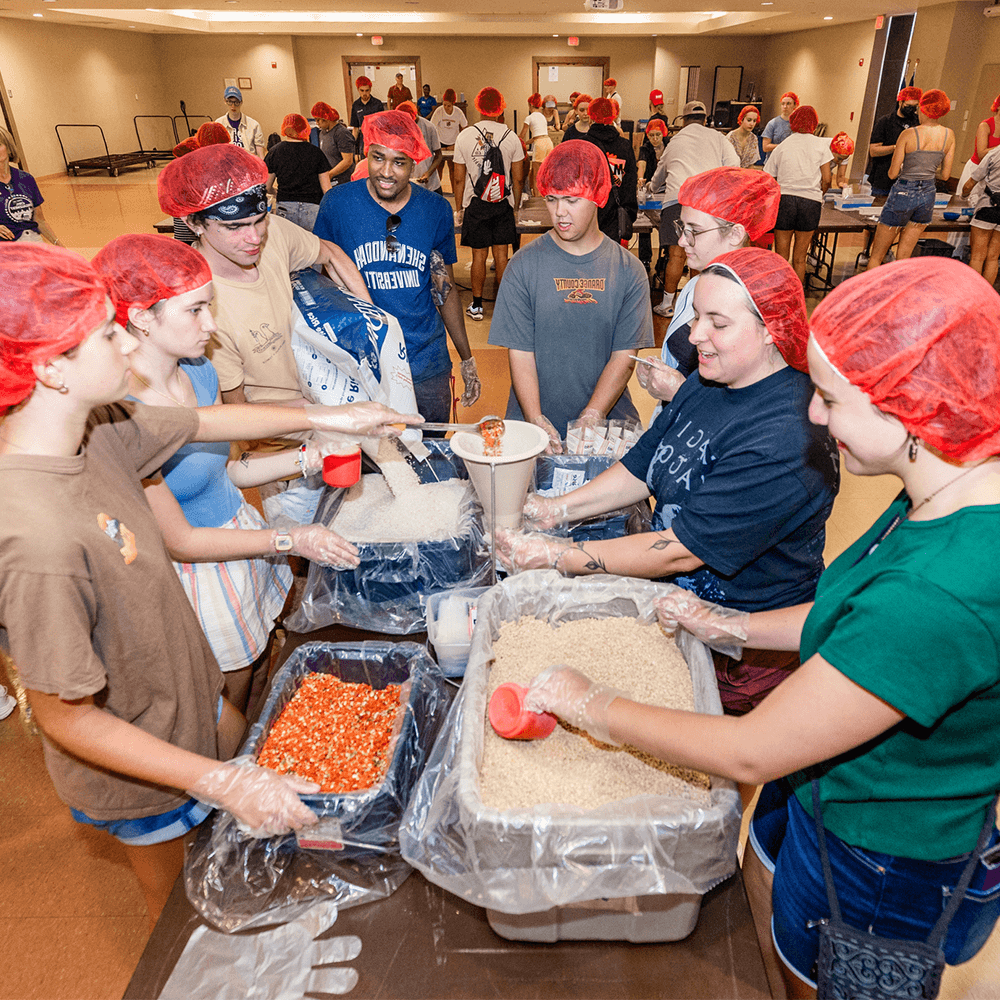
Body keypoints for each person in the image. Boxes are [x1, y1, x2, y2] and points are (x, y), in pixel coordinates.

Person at [524, 256, 1000, 1000]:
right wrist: (733, 621)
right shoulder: (934, 496)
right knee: (769, 926)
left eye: (832, 400)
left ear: (906, 410)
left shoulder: (943, 587)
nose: (813, 414)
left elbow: (750, 750)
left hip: (878, 857)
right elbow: (848, 613)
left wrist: (591, 703)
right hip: (817, 794)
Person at [0, 244, 419, 926]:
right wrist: (220, 781)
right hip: (138, 769)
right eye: (106, 333)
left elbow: (202, 423)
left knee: (243, 824)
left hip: (192, 700)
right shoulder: (35, 535)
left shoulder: (95, 429)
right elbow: (64, 713)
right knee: (183, 912)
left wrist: (329, 418)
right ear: (49, 369)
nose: (125, 343)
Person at [499, 247, 839, 719]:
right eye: (697, 315)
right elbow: (643, 466)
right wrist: (557, 510)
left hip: (745, 647)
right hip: (676, 608)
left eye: (717, 323)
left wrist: (560, 556)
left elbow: (682, 549)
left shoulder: (786, 436)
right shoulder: (707, 381)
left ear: (770, 330)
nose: (695, 334)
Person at [93, 234, 358, 714]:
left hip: (240, 540)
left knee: (262, 670)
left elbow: (225, 473)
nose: (211, 326)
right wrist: (289, 540)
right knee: (227, 699)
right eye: (194, 311)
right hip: (194, 573)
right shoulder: (121, 417)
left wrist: (308, 459)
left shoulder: (198, 372)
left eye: (209, 306)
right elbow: (182, 541)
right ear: (140, 318)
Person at [157, 144, 370, 522]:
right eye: (234, 227)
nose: (254, 237)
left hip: (330, 408)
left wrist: (375, 325)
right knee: (307, 547)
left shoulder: (272, 236)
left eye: (259, 219)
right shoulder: (200, 308)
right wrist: (322, 413)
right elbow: (236, 415)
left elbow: (332, 255)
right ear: (194, 223)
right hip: (279, 453)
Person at [314, 110, 481, 424]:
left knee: (431, 447)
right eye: (378, 158)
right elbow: (320, 283)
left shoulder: (435, 209)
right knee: (373, 457)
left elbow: (442, 288)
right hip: (361, 361)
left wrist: (467, 358)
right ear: (367, 154)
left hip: (425, 362)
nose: (386, 172)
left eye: (399, 162)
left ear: (415, 163)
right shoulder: (338, 205)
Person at [487, 141, 653, 451]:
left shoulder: (628, 270)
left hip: (608, 424)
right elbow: (521, 353)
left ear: (598, 196)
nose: (560, 212)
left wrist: (592, 416)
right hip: (531, 421)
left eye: (573, 200)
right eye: (552, 199)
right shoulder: (523, 266)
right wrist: (536, 418)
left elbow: (624, 357)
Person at [638, 167, 781, 405]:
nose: (682, 240)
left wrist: (680, 393)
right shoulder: (696, 286)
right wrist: (663, 374)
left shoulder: (757, 306)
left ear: (735, 234)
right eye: (683, 228)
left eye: (695, 231)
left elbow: (754, 408)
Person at [649, 100, 740, 317]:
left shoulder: (676, 141)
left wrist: (652, 187)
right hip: (707, 203)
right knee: (700, 255)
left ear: (684, 120)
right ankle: (696, 304)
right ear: (705, 119)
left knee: (676, 256)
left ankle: (668, 305)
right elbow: (734, 165)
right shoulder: (718, 137)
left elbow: (659, 176)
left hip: (676, 201)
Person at [452, 86, 525, 322]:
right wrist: (515, 207)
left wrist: (459, 208)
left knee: (478, 257)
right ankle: (503, 305)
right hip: (502, 203)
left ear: (477, 106)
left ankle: (476, 305)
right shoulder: (511, 136)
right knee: (502, 256)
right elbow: (519, 177)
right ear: (501, 107)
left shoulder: (464, 136)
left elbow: (458, 178)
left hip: (476, 204)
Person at [866, 89, 954, 270]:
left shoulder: (908, 134)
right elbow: (945, 176)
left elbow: (892, 173)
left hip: (904, 190)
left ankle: (871, 296)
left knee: (877, 255)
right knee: (904, 257)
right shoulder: (949, 135)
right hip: (928, 194)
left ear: (922, 108)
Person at [764, 105, 834, 286]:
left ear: (792, 123)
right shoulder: (821, 145)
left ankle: (778, 293)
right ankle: (797, 296)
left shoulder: (781, 147)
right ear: (814, 123)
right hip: (810, 203)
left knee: (781, 256)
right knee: (800, 258)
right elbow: (827, 179)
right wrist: (819, 194)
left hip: (785, 201)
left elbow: (769, 178)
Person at [563, 97, 638, 245]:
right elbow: (630, 183)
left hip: (587, 213)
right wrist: (628, 213)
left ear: (591, 116)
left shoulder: (583, 145)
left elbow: (574, 183)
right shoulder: (624, 146)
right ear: (613, 116)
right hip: (615, 216)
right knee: (612, 261)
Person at [264, 113, 331, 232]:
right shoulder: (316, 152)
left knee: (290, 247)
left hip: (285, 205)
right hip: (312, 206)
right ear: (305, 129)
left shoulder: (274, 152)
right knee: (314, 245)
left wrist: (276, 192)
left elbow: (267, 186)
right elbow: (327, 189)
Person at [0, 126, 61, 246]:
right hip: (6, 248)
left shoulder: (26, 179)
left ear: (9, 148)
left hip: (33, 242)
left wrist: (60, 247)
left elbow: (39, 221)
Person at [866, 86, 922, 200]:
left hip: (908, 179)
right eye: (908, 106)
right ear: (901, 102)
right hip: (883, 177)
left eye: (914, 107)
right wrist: (897, 147)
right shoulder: (885, 122)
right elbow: (873, 151)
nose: (911, 110)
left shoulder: (918, 123)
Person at [963, 143, 1000, 287]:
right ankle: (987, 298)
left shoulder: (995, 153)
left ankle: (974, 296)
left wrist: (963, 196)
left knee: (978, 256)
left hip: (988, 207)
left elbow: (970, 183)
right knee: (993, 257)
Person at [396, 100, 444, 193]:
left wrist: (428, 173)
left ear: (414, 116)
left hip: (430, 183)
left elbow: (438, 155)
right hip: (408, 183)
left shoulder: (429, 127)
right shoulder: (399, 129)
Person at [430, 88, 467, 191]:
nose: (446, 107)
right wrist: (435, 145)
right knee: (439, 168)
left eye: (449, 106)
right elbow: (432, 128)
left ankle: (455, 192)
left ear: (453, 104)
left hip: (453, 144)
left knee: (452, 169)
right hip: (440, 143)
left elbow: (465, 128)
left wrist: (458, 144)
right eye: (444, 105)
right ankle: (437, 192)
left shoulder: (458, 112)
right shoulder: (439, 111)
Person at [310, 102, 355, 187]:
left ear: (326, 118)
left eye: (318, 119)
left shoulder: (341, 133)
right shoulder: (322, 133)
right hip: (331, 179)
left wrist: (329, 175)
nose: (316, 123)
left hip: (344, 180)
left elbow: (347, 161)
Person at [215, 86, 264, 158]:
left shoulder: (254, 125)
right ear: (225, 101)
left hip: (249, 164)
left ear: (241, 102)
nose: (233, 106)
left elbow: (260, 155)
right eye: (230, 102)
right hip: (227, 165)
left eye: (236, 102)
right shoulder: (218, 124)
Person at [520, 93, 552, 197]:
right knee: (545, 173)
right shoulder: (542, 117)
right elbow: (536, 136)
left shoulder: (529, 117)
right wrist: (526, 143)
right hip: (548, 142)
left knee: (536, 174)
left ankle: (537, 198)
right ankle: (546, 195)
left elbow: (522, 135)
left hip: (540, 145)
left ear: (530, 105)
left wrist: (519, 141)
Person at [350, 76, 385, 154]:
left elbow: (383, 127)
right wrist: (354, 150)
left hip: (376, 140)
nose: (364, 93)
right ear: (358, 90)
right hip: (363, 142)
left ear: (370, 89)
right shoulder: (356, 105)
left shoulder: (377, 104)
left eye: (367, 90)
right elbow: (355, 129)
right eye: (362, 90)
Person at [971, 93, 1000, 165]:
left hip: (994, 171)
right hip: (976, 168)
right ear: (998, 106)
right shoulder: (985, 125)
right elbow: (981, 154)